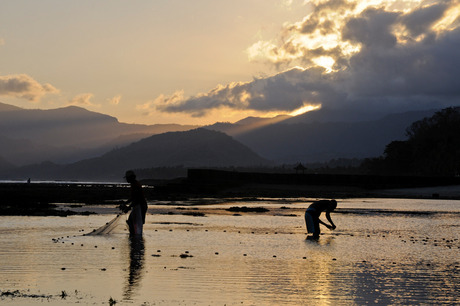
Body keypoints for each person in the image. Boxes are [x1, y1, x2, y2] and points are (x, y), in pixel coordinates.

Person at [120, 170, 148, 236]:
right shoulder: (134, 184)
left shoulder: (136, 185)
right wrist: (125, 203)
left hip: (140, 206)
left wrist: (128, 207)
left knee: (136, 223)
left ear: (131, 177)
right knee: (132, 222)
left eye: (127, 178)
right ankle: (135, 239)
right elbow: (133, 198)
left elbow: (137, 199)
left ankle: (136, 239)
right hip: (139, 206)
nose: (126, 179)